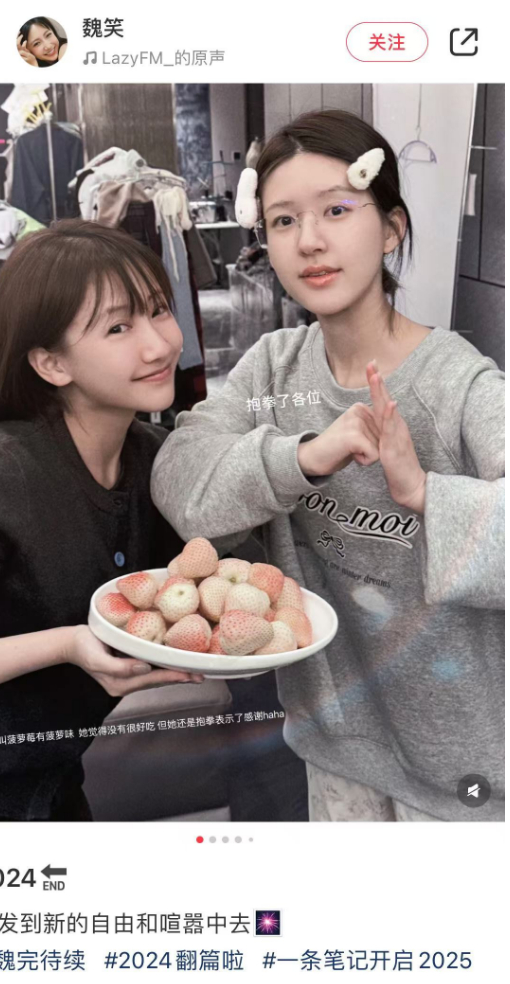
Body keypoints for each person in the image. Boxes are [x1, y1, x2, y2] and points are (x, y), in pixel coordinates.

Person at [151, 110, 504, 822]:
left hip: (462, 769)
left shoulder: (456, 382)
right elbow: (181, 485)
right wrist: (304, 456)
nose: (309, 240)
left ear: (391, 229)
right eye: (283, 220)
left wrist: (421, 491)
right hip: (336, 746)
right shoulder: (272, 371)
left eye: (337, 210)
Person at [0, 220, 203, 822]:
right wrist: (67, 645)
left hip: (52, 780)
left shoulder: (153, 457)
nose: (159, 345)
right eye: (118, 327)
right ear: (51, 363)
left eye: (158, 311)